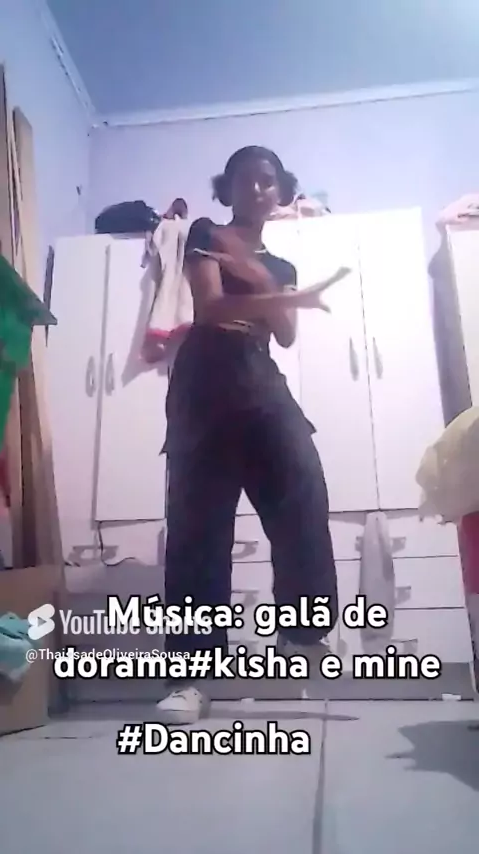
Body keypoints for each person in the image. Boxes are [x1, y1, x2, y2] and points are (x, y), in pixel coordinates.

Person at [157, 146, 343, 724]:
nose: (258, 189)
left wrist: (263, 283)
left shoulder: (282, 265)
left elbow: (284, 334)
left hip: (262, 384)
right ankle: (191, 678)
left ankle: (301, 635)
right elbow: (210, 307)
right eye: (245, 180)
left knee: (304, 489)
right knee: (198, 531)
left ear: (281, 191)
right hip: (203, 389)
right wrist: (271, 295)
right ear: (228, 188)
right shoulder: (206, 232)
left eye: (268, 181)